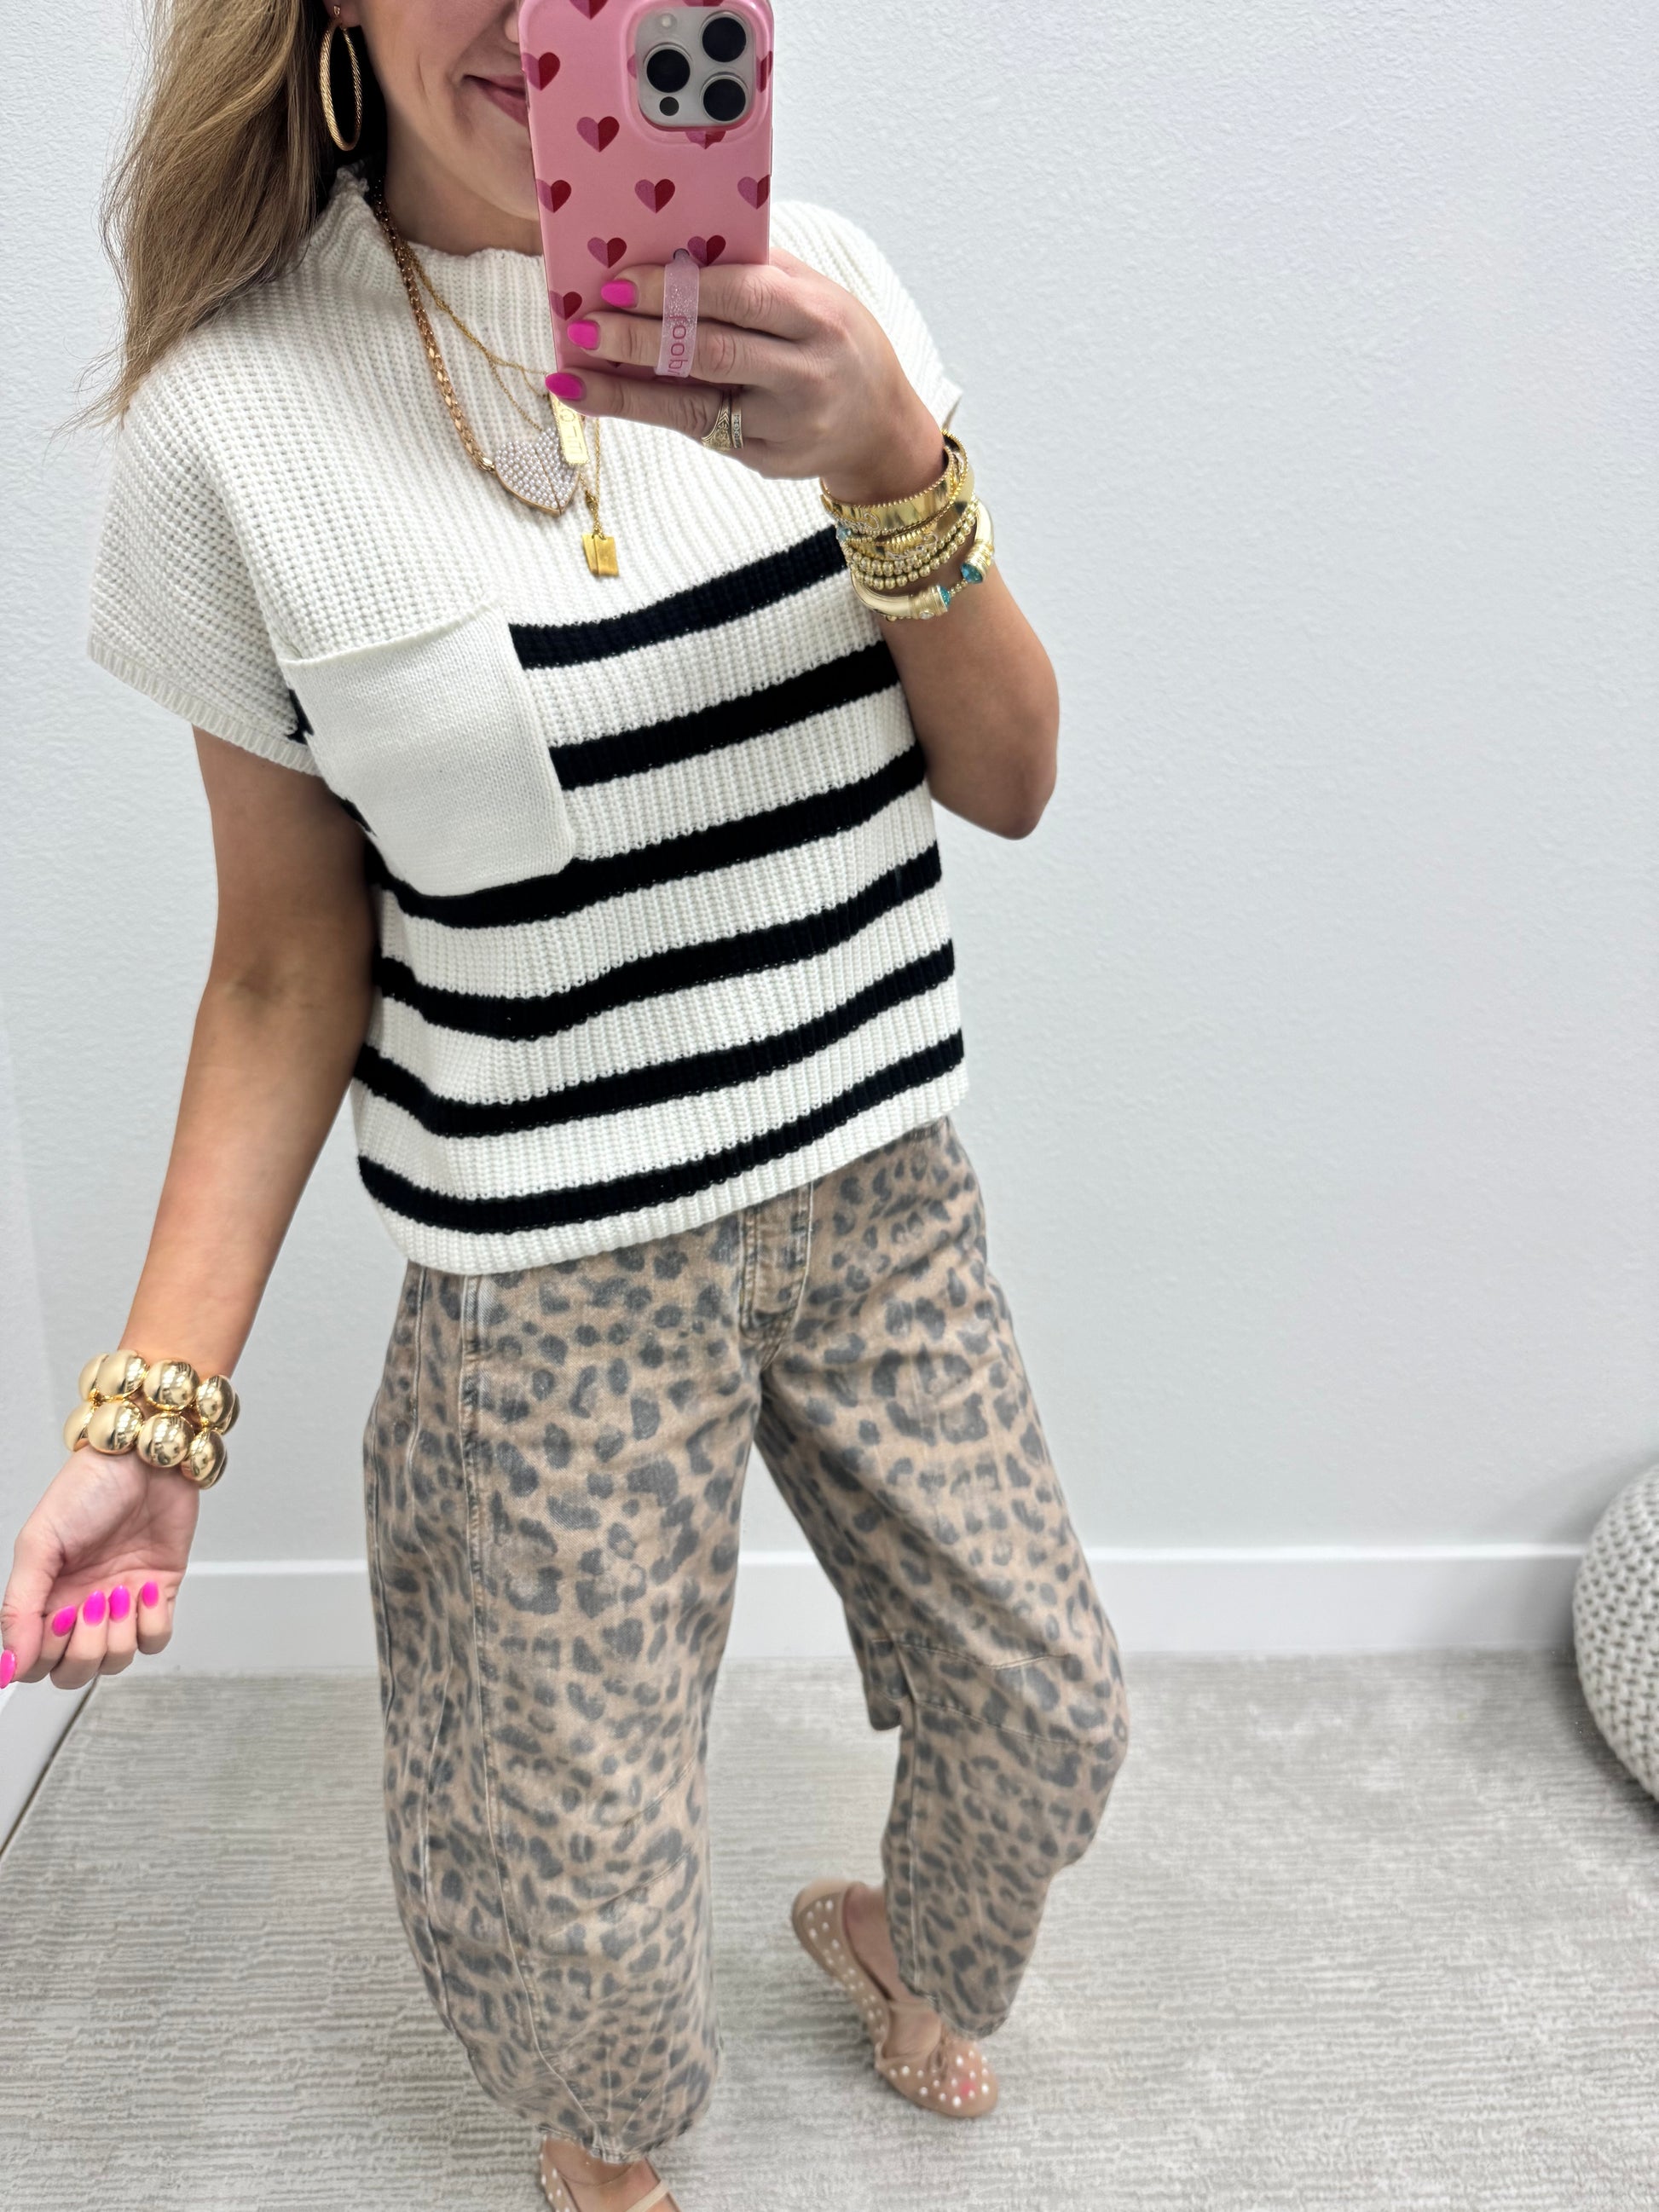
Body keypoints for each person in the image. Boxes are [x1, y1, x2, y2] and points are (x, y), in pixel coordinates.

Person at [0, 3, 1130, 2204]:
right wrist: (153, 1410)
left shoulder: (824, 293)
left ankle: (900, 1938)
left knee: (1049, 1708)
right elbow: (283, 963)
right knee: (576, 1893)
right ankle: (602, 2122)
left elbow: (1006, 781)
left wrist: (892, 461)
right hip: (550, 1293)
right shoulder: (232, 425)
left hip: (879, 1200)